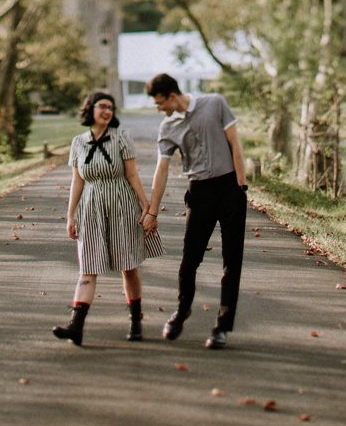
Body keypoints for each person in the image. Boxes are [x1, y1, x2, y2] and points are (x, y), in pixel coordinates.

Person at [144, 73, 247, 349]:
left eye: (160, 103)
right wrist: (153, 211)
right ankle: (181, 310)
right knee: (190, 259)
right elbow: (161, 170)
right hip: (200, 192)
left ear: (172, 96)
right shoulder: (167, 127)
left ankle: (222, 326)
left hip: (230, 188)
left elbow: (235, 143)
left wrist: (241, 185)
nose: (159, 109)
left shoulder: (214, 103)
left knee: (232, 260)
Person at [52, 90, 161, 345]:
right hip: (91, 208)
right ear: (90, 109)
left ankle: (135, 322)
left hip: (122, 205)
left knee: (128, 266)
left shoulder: (122, 137)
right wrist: (70, 216)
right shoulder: (78, 142)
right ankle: (75, 326)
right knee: (88, 267)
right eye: (102, 106)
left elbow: (132, 175)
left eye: (111, 107)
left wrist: (147, 208)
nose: (107, 111)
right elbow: (77, 181)